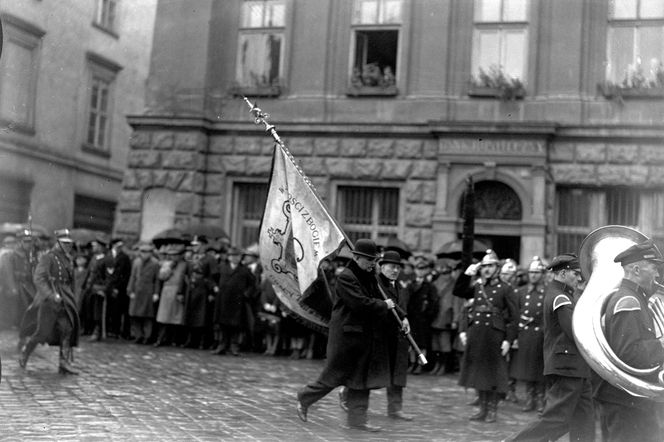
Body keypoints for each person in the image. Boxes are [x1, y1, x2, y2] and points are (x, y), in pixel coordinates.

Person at [296, 239, 396, 432]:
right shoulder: (346, 277)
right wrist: (384, 306)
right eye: (368, 260)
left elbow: (384, 296)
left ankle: (357, 421)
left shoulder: (369, 277)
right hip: (346, 338)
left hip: (363, 336)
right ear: (356, 258)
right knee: (333, 376)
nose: (372, 263)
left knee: (361, 380)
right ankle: (304, 396)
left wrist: (401, 315)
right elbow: (359, 303)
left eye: (374, 260)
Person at [504, 253, 595, 442]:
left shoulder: (562, 295)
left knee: (584, 420)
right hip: (567, 366)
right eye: (576, 274)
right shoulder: (560, 297)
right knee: (555, 419)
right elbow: (576, 331)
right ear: (563, 273)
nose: (579, 278)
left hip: (574, 366)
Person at [594, 241, 664, 442]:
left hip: (629, 400)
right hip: (626, 401)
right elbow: (629, 352)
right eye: (654, 268)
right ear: (636, 269)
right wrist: (661, 345)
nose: (658, 275)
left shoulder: (635, 298)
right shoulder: (629, 301)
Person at [338, 250, 413, 420]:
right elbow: (371, 306)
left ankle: (395, 409)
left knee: (397, 372)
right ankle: (348, 394)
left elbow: (403, 309)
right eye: (391, 267)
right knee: (372, 373)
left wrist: (405, 319)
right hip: (378, 335)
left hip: (397, 335)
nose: (395, 271)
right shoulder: (375, 284)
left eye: (398, 268)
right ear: (381, 267)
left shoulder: (401, 287)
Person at [453, 249, 518, 423]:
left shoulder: (505, 288)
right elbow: (458, 291)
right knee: (479, 373)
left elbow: (514, 317)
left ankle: (492, 410)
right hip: (477, 333)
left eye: (490, 266)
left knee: (493, 374)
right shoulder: (477, 286)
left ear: (497, 268)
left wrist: (508, 340)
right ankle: (482, 409)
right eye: (484, 267)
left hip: (494, 335)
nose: (487, 270)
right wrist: (467, 274)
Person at [18, 229, 80, 374]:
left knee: (67, 329)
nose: (68, 246)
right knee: (42, 333)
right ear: (57, 243)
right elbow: (38, 278)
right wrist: (50, 295)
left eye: (69, 244)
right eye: (64, 243)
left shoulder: (69, 259)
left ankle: (63, 363)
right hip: (49, 301)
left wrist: (72, 298)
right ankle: (25, 354)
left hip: (65, 299)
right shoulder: (48, 258)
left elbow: (72, 282)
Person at [509, 256, 548, 413]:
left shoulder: (547, 292)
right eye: (531, 272)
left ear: (542, 274)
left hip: (541, 335)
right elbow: (515, 315)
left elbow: (548, 316)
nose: (533, 275)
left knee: (539, 369)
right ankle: (529, 397)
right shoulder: (521, 292)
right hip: (525, 334)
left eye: (537, 272)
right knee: (526, 368)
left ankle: (540, 398)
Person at [211, 247, 255, 356]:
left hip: (237, 302)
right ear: (229, 257)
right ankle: (222, 345)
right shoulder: (222, 267)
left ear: (241, 258)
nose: (235, 258)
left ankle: (234, 346)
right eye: (232, 256)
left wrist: (246, 294)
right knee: (223, 324)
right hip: (224, 300)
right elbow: (212, 278)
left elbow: (253, 285)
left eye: (237, 256)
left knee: (236, 325)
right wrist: (214, 287)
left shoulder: (245, 270)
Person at [430, 261, 463, 375]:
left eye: (447, 272)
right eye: (443, 272)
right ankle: (437, 365)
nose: (445, 275)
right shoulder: (434, 284)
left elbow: (456, 304)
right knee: (435, 344)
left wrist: (455, 320)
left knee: (445, 344)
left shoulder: (454, 285)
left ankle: (443, 366)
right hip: (435, 316)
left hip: (446, 318)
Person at [154, 243, 189, 346]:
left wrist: (181, 292)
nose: (173, 257)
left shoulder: (185, 264)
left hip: (177, 291)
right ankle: (161, 339)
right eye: (172, 255)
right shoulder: (166, 264)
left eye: (176, 255)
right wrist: (169, 268)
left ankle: (173, 339)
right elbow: (161, 277)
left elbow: (185, 279)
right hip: (167, 291)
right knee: (164, 317)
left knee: (176, 317)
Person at [127, 242, 160, 344]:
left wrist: (156, 293)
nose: (145, 254)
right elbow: (132, 276)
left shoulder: (155, 263)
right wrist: (130, 289)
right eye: (143, 252)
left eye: (148, 252)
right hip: (137, 290)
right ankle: (138, 335)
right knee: (135, 315)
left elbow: (157, 279)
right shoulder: (136, 262)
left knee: (147, 316)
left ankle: (147, 336)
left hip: (148, 291)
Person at [107, 238, 132, 339]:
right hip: (109, 286)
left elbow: (125, 274)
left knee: (119, 309)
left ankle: (117, 331)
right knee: (110, 309)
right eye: (118, 246)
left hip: (120, 288)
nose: (120, 248)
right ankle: (111, 329)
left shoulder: (124, 257)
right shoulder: (108, 256)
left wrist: (118, 287)